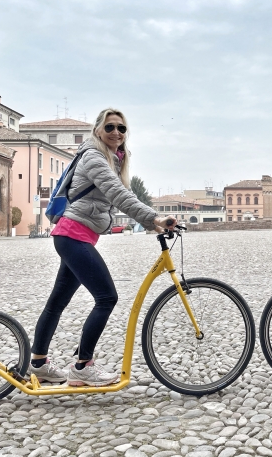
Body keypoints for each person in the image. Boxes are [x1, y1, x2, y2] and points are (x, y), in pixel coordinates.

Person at [28, 108, 177, 387]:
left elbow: (125, 194)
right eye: (110, 127)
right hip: (74, 235)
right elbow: (117, 194)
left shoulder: (114, 159)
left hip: (74, 236)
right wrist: (153, 217)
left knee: (57, 302)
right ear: (98, 130)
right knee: (107, 297)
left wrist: (152, 223)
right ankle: (83, 367)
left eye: (122, 128)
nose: (116, 133)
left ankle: (38, 364)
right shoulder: (94, 157)